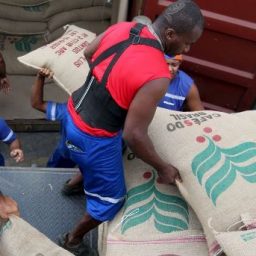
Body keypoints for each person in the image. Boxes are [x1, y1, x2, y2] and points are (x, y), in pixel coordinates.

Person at [57, 0, 204, 254]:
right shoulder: (158, 75)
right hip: (94, 139)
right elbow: (134, 135)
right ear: (170, 34)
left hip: (71, 113)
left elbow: (88, 53)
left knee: (95, 154)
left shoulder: (122, 28)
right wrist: (164, 168)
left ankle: (72, 184)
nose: (187, 49)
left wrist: (109, 86)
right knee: (112, 200)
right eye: (187, 42)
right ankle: (72, 240)